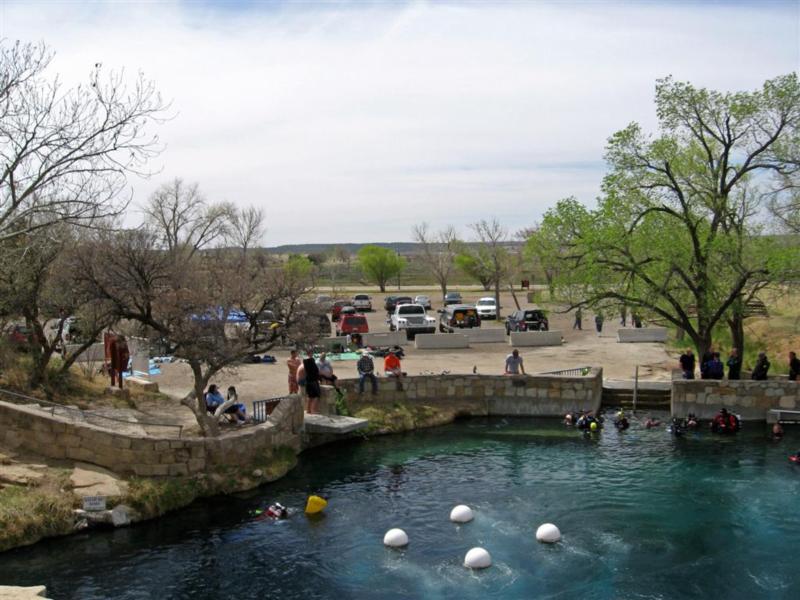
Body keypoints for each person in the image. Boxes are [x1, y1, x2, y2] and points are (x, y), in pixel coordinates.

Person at [303, 350, 321, 414]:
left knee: (310, 396)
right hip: (313, 380)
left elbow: (306, 371)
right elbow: (316, 371)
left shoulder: (305, 361)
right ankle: (313, 410)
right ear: (309, 353)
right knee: (316, 395)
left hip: (308, 380)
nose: (312, 354)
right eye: (311, 353)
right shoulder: (311, 361)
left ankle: (308, 410)